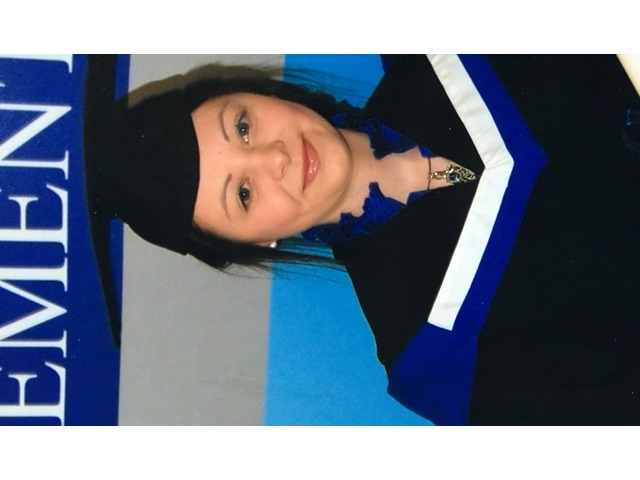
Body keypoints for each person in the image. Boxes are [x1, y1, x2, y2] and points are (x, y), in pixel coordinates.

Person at [85, 54, 640, 425]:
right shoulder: (434, 353)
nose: (275, 159)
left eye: (244, 127)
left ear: (258, 92)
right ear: (256, 244)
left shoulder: (445, 46)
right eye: (244, 194)